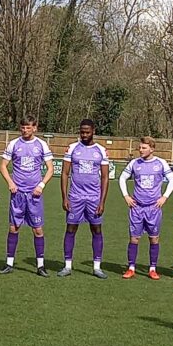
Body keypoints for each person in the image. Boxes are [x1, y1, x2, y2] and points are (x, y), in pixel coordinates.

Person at [0, 117, 54, 276]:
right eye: (22, 127)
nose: (25, 130)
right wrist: (10, 182)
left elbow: (50, 168)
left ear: (35, 128)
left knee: (37, 230)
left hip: (34, 195)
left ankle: (40, 266)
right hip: (17, 194)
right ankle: (9, 263)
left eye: (28, 127)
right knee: (13, 228)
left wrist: (41, 185)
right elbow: (3, 165)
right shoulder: (14, 144)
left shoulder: (42, 145)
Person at [58, 119, 110, 279]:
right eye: (82, 132)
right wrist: (64, 197)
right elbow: (65, 173)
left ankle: (96, 267)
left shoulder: (101, 150)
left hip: (94, 198)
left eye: (87, 132)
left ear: (93, 131)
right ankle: (67, 265)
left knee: (96, 230)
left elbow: (105, 177)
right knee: (71, 229)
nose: (84, 135)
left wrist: (102, 201)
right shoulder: (72, 148)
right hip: (75, 197)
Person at [119, 137, 173, 280]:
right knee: (134, 239)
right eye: (140, 147)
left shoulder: (161, 163)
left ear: (152, 149)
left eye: (144, 148)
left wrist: (164, 197)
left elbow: (172, 180)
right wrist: (126, 196)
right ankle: (131, 268)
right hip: (137, 207)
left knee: (154, 239)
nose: (140, 150)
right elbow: (122, 178)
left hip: (153, 208)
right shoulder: (134, 163)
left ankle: (152, 268)